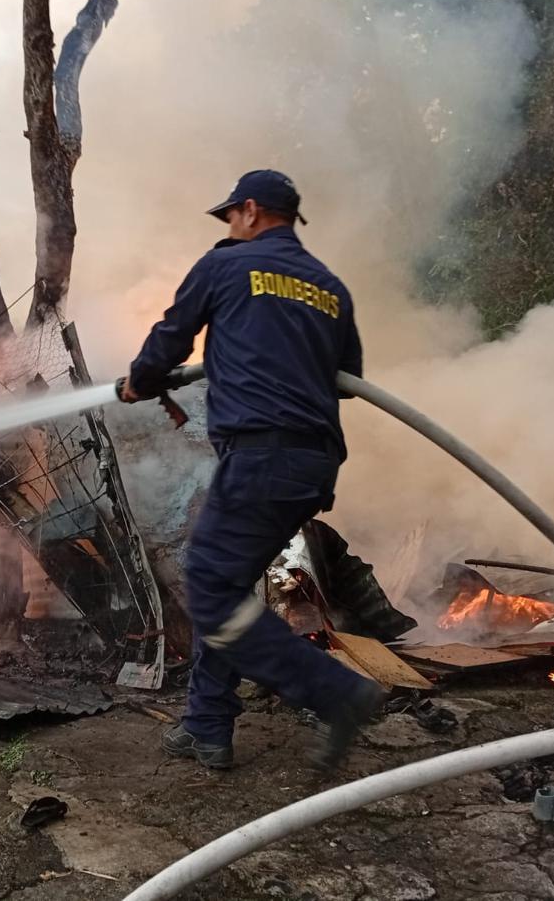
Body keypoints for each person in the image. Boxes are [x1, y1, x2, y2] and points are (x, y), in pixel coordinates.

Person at [121, 169, 385, 770]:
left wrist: (140, 381)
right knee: (232, 587)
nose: (230, 228)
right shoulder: (330, 287)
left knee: (210, 588)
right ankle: (207, 725)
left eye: (231, 218)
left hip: (260, 457)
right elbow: (346, 379)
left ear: (249, 211)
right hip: (313, 465)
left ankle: (339, 694)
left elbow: (169, 342)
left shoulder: (225, 265)